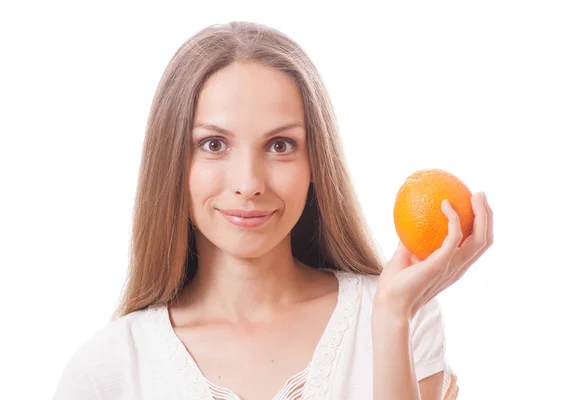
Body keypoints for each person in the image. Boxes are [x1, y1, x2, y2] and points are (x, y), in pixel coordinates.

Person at [53, 21, 493, 400]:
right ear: (171, 162)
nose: (249, 184)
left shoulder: (402, 319)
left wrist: (393, 315)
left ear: (316, 163)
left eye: (280, 146)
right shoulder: (109, 369)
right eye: (214, 144)